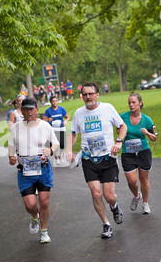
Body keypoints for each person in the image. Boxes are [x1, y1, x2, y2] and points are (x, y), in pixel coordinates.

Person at [66, 82, 127, 239]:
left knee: (109, 195)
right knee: (95, 193)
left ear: (97, 94)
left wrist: (119, 141)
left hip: (108, 158)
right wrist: (68, 150)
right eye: (84, 94)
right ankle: (106, 224)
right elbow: (73, 134)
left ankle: (114, 206)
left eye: (90, 94)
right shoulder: (79, 113)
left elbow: (122, 126)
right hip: (89, 159)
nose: (87, 97)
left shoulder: (107, 108)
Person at [8, 98, 59, 243]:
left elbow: (55, 143)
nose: (29, 112)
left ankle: (44, 231)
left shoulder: (45, 126)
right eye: (26, 109)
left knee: (44, 202)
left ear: (36, 109)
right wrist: (11, 157)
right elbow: (11, 145)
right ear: (21, 110)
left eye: (32, 109)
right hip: (24, 171)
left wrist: (50, 150)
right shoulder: (16, 127)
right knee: (30, 205)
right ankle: (35, 216)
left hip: (43, 169)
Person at [119, 93, 157, 214]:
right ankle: (136, 196)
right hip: (128, 152)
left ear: (140, 103)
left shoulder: (147, 119)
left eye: (133, 102)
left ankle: (145, 204)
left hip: (143, 152)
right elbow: (118, 130)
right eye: (129, 102)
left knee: (144, 179)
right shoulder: (122, 117)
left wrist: (147, 133)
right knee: (131, 181)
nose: (131, 105)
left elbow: (154, 138)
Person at [43, 96, 70, 164]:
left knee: (62, 144)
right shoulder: (48, 110)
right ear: (51, 102)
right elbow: (44, 120)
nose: (55, 102)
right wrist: (47, 119)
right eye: (53, 101)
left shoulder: (61, 109)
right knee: (54, 144)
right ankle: (57, 158)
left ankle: (61, 154)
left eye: (56, 101)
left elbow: (68, 117)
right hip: (52, 129)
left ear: (57, 101)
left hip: (61, 128)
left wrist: (66, 121)